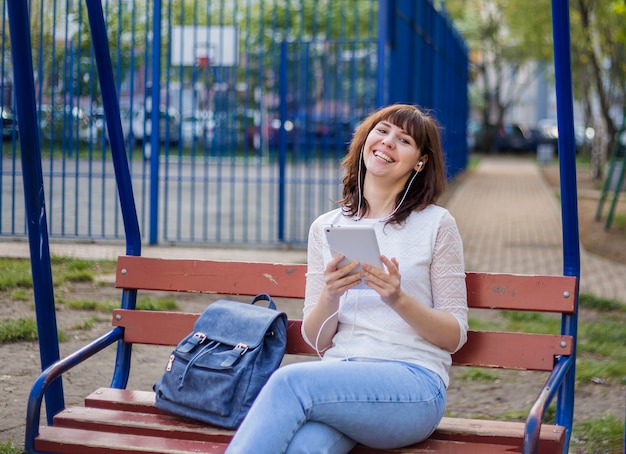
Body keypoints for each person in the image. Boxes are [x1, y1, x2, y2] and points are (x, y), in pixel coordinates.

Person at [226, 104, 468, 453]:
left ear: (420, 161)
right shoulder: (327, 227)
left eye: (404, 140)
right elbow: (316, 339)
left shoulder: (436, 224)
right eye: (382, 131)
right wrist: (331, 294)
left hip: (413, 385)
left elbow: (454, 335)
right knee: (306, 448)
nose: (387, 143)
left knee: (289, 382)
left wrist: (397, 299)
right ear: (365, 139)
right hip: (339, 380)